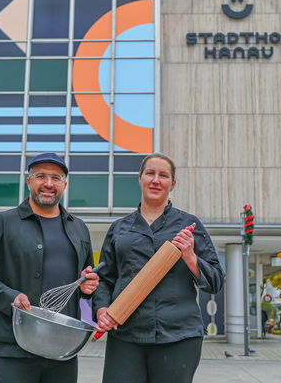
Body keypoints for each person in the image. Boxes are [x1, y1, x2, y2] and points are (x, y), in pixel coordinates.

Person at [0, 153, 99, 383]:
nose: (48, 183)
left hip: (62, 347)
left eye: (56, 177)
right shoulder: (0, 224)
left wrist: (89, 285)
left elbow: (88, 281)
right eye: (40, 176)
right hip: (13, 346)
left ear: (64, 184)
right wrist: (10, 297)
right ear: (29, 181)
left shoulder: (79, 228)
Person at [93, 153, 225, 383]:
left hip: (178, 336)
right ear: (140, 178)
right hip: (126, 334)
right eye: (150, 173)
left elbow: (215, 280)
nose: (156, 180)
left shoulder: (188, 225)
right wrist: (102, 309)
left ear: (172, 184)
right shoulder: (119, 228)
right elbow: (105, 278)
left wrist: (191, 257)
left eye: (163, 175)